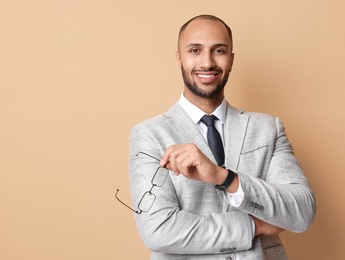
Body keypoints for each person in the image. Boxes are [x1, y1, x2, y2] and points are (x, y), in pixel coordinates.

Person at [127, 14, 316, 259]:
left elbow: (301, 211)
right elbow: (158, 229)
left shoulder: (269, 128)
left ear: (231, 59)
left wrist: (224, 178)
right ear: (179, 58)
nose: (207, 62)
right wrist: (253, 226)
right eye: (195, 50)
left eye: (219, 51)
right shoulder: (149, 135)